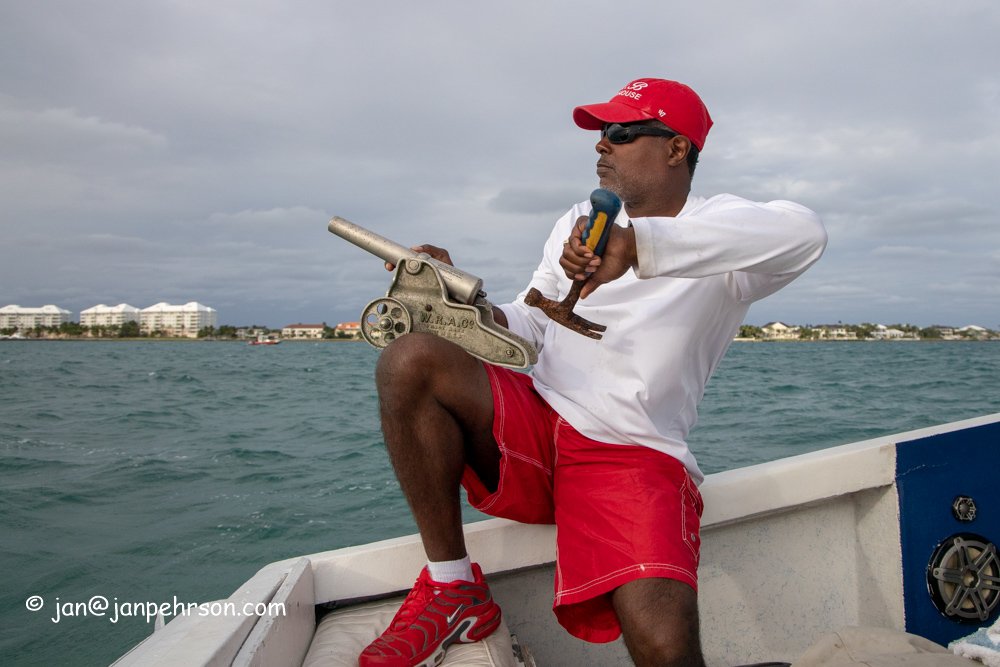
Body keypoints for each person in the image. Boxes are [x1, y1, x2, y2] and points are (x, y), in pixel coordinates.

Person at [359, 77, 828, 667]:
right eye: (600, 136)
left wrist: (639, 245)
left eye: (620, 133)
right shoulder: (578, 219)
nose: (601, 146)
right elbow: (530, 324)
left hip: (629, 451)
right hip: (537, 422)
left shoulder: (721, 234)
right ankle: (454, 587)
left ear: (677, 149)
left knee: (665, 650)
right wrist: (455, 301)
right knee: (412, 358)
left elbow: (806, 234)